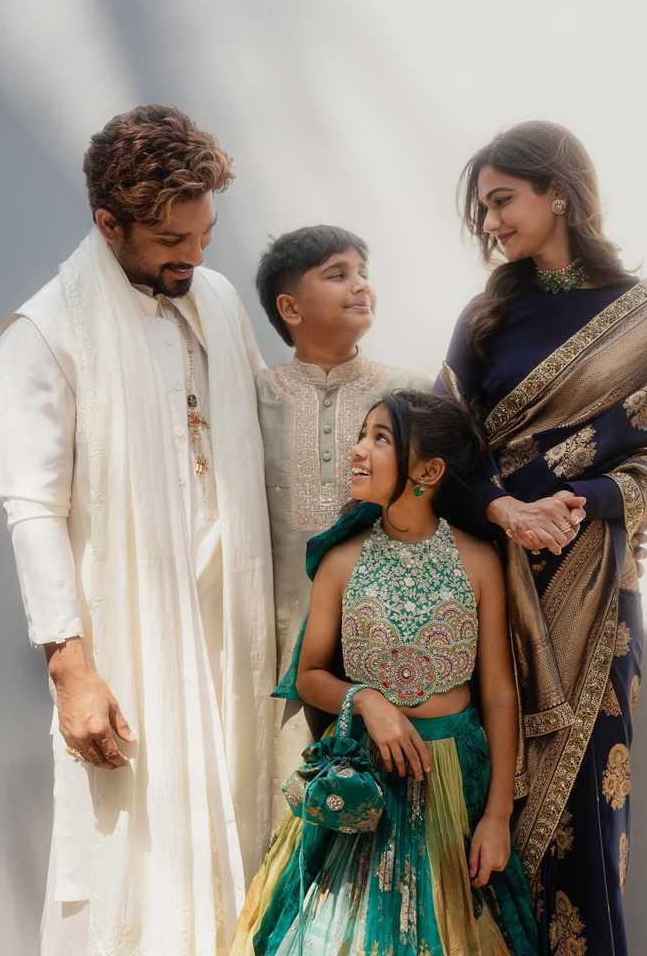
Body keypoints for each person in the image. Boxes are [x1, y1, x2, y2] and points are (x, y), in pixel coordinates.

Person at [0, 105, 276, 954]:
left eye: (205, 235)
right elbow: (32, 506)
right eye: (171, 241)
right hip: (134, 643)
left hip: (237, 630)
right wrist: (70, 669)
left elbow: (266, 430)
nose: (195, 257)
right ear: (107, 223)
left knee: (248, 821)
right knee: (130, 851)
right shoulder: (47, 331)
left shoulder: (216, 299)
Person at [437, 121, 647, 954]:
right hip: (490, 592)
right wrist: (505, 511)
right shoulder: (486, 317)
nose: (490, 223)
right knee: (481, 806)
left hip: (595, 600)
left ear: (558, 192)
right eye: (483, 210)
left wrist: (583, 500)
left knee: (587, 813)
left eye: (502, 201)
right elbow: (441, 446)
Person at [230, 389, 539, 955]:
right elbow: (309, 675)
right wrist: (368, 701)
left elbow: (498, 693)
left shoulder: (478, 561)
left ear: (428, 471)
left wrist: (497, 816)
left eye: (380, 438)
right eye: (360, 435)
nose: (358, 450)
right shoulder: (340, 561)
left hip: (454, 780)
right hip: (363, 781)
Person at [254, 225, 430, 824]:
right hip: (280, 639)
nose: (361, 285)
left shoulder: (409, 395)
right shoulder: (254, 397)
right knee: (290, 810)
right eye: (338, 274)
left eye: (363, 273)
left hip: (388, 635)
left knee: (389, 813)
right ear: (290, 308)